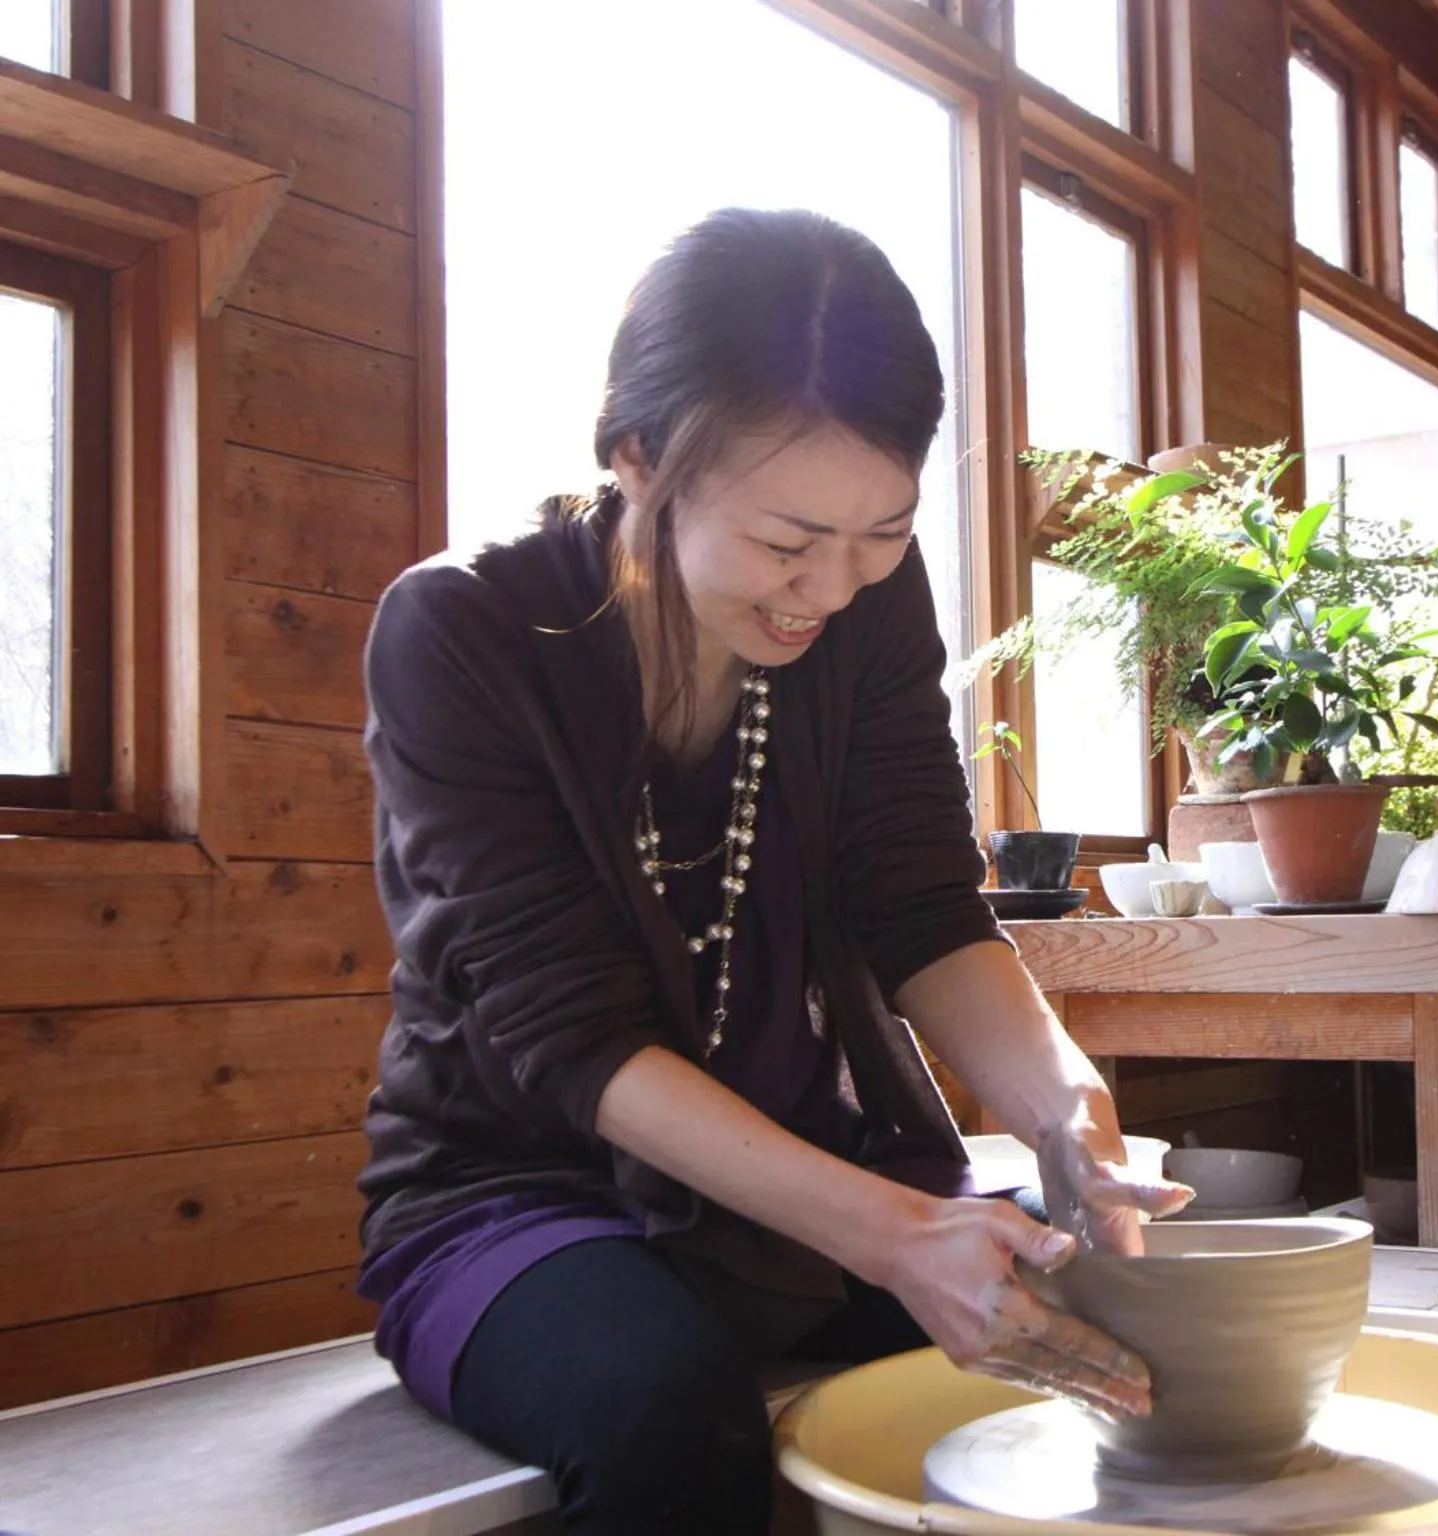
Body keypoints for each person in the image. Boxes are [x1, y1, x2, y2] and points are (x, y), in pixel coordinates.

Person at [354, 206, 1190, 1535]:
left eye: (882, 536)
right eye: (787, 542)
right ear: (640, 459)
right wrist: (901, 1236)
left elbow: (919, 900)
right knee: (670, 1422)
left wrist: (1064, 1110)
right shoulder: (461, 631)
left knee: (1120, 1307)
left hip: (811, 1171)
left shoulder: (864, 602)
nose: (832, 589)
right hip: (525, 1195)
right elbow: (568, 1039)